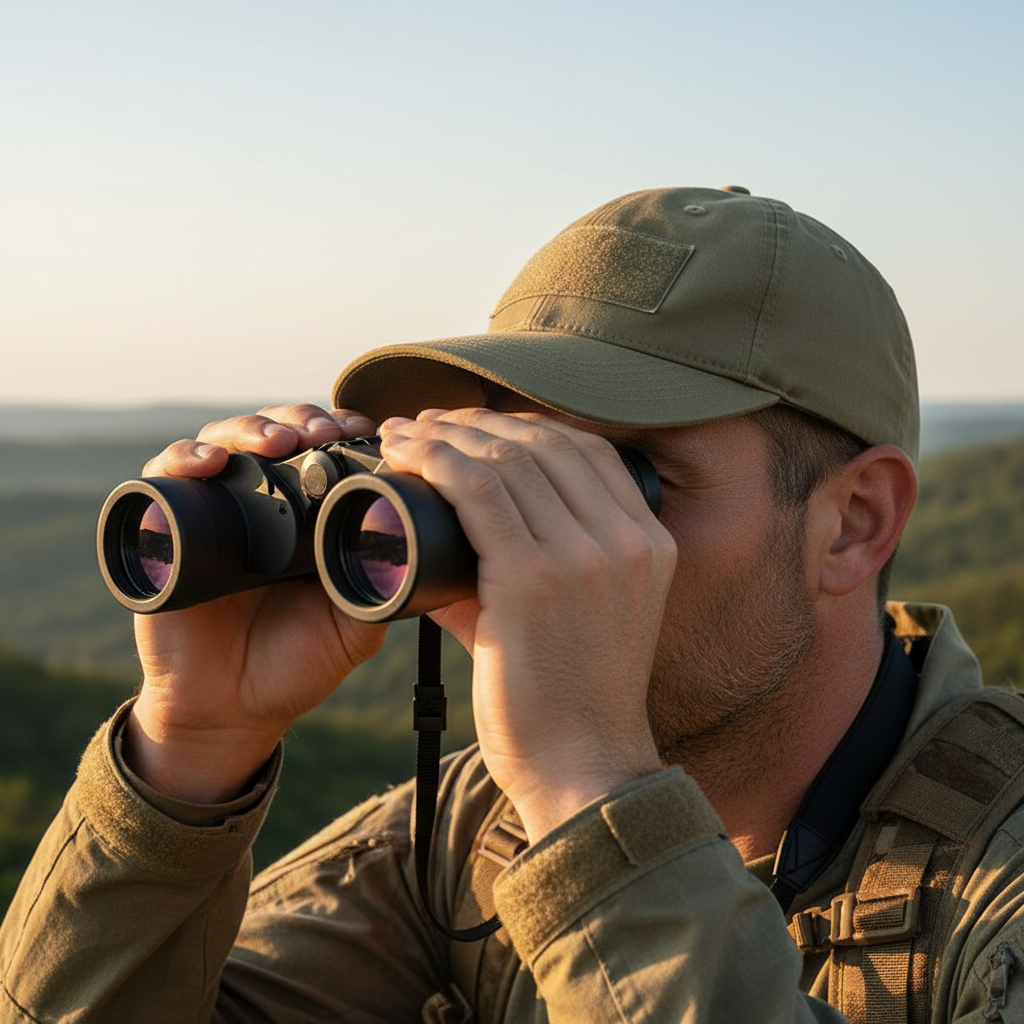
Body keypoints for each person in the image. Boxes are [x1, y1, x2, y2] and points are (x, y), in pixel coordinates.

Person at [2, 185, 1022, 1024]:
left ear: (852, 522)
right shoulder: (469, 837)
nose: (537, 548)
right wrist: (187, 754)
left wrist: (592, 799)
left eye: (616, 481)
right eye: (499, 470)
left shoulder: (996, 881)